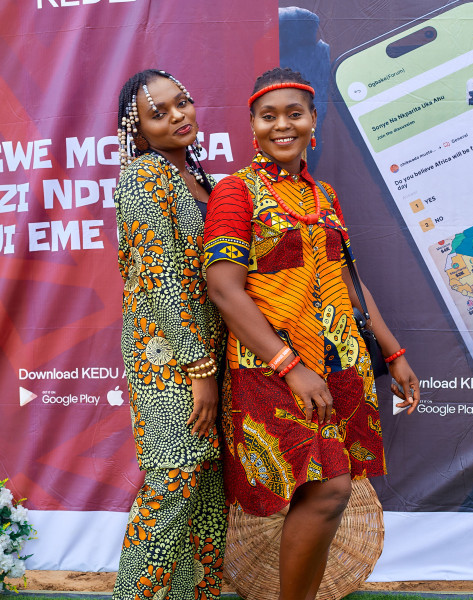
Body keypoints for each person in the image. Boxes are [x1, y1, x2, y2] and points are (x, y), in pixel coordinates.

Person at [203, 67, 420, 600]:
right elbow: (224, 289)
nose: (283, 125)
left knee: (327, 492)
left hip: (339, 362)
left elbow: (348, 279)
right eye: (268, 115)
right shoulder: (236, 192)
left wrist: (393, 352)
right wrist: (289, 365)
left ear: (313, 120)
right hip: (272, 366)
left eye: (294, 113)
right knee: (328, 490)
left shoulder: (324, 194)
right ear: (251, 125)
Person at [112, 69, 227, 600]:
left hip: (211, 354)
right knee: (172, 486)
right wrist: (199, 370)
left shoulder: (202, 179)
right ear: (139, 131)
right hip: (168, 361)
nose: (178, 115)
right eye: (159, 113)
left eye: (181, 102)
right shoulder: (144, 176)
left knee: (206, 498)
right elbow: (160, 281)